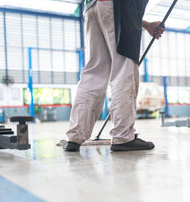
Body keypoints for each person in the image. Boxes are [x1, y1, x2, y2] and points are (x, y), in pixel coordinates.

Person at [64, 0, 165, 151]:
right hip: (118, 7)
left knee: (94, 73)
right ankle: (122, 136)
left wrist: (146, 25)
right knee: (124, 69)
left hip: (93, 7)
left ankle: (74, 137)